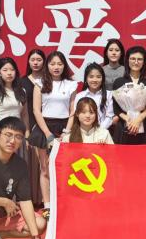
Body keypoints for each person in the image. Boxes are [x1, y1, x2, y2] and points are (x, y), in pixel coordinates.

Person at [32, 51, 78, 215]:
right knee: (45, 168)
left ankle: (63, 203)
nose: (56, 67)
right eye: (52, 64)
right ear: (47, 66)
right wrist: (47, 134)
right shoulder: (39, 83)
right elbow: (36, 110)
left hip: (64, 127)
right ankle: (48, 206)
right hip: (45, 127)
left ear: (64, 66)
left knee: (64, 168)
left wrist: (67, 132)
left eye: (59, 64)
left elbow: (73, 111)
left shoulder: (71, 84)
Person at [112, 46, 146, 144]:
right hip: (123, 126)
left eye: (139, 59)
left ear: (144, 62)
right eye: (132, 59)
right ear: (127, 60)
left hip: (143, 125)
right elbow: (116, 107)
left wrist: (139, 119)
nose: (136, 62)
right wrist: (128, 119)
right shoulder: (119, 82)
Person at [21, 49, 45, 207]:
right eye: (32, 60)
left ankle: (43, 198)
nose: (35, 63)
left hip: (46, 124)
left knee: (44, 164)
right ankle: (31, 197)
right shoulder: (22, 82)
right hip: (28, 122)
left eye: (39, 60)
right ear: (28, 62)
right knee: (31, 163)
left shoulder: (48, 81)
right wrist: (26, 129)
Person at [0, 58, 29, 144]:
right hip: (0, 134)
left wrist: (27, 135)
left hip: (17, 133)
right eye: (5, 70)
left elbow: (24, 115)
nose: (9, 73)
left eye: (12, 70)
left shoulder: (22, 91)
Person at [73, 63, 115, 130]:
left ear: (103, 79)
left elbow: (109, 117)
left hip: (102, 132)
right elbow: (77, 116)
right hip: (83, 132)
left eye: (98, 77)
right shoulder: (79, 96)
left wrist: (99, 131)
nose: (95, 80)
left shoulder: (109, 95)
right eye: (91, 77)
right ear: (86, 79)